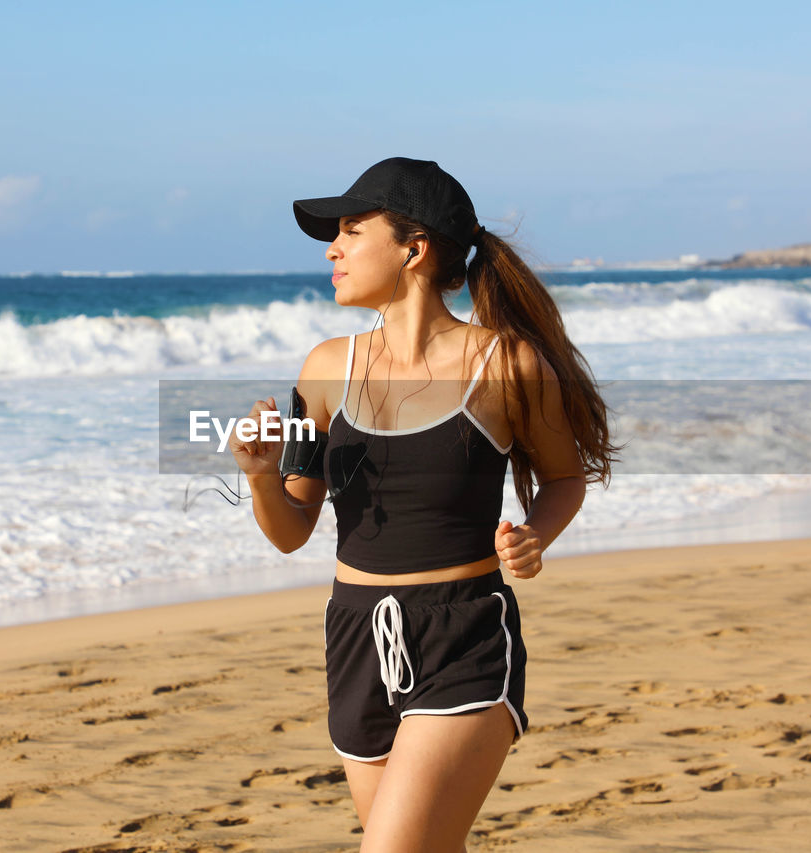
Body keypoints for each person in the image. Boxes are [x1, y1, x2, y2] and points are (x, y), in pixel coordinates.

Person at [229, 157, 615, 851]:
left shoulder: (507, 364)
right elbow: (291, 530)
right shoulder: (322, 370)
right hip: (354, 640)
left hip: (461, 636)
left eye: (352, 229)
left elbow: (564, 477)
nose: (332, 248)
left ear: (414, 247)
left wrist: (536, 534)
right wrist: (259, 477)